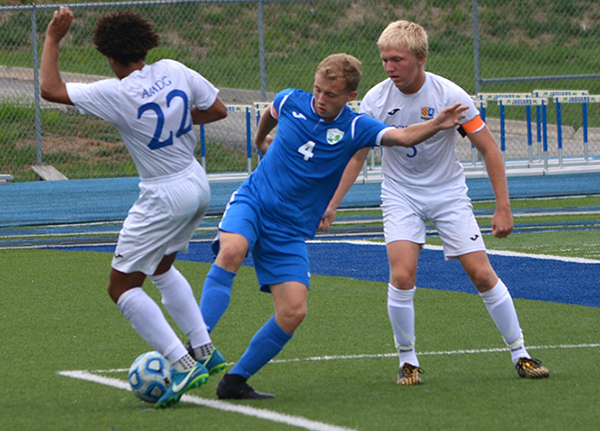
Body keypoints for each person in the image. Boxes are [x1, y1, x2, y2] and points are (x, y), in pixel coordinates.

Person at [198, 52, 467, 399]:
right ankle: (196, 345)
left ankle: (234, 381)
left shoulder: (357, 127)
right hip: (254, 203)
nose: (320, 99)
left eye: (330, 94)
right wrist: (260, 140)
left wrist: (436, 123)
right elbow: (271, 112)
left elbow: (402, 137)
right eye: (318, 90)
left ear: (350, 97)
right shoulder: (291, 99)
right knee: (233, 250)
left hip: (291, 229)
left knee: (294, 311)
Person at [323, 20, 550, 385]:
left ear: (421, 57)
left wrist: (503, 206)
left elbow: (489, 148)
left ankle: (520, 353)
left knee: (481, 274)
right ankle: (407, 361)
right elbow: (358, 155)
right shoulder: (376, 99)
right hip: (400, 195)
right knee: (401, 275)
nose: (389, 67)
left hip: (448, 195)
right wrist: (332, 204)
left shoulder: (450, 95)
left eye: (397, 59)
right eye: (384, 59)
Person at [40, 7, 229, 408]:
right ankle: (204, 349)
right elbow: (218, 110)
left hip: (163, 194)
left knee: (122, 287)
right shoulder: (175, 68)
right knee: (161, 267)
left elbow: (50, 89)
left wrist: (53, 38)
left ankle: (180, 362)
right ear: (146, 44)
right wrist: (177, 119)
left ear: (108, 56)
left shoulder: (117, 92)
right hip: (196, 183)